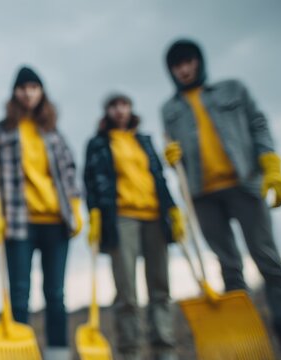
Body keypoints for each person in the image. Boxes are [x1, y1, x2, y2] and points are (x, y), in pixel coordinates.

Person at [162, 38, 281, 358]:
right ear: (171, 71)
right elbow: (174, 153)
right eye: (177, 65)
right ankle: (247, 346)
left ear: (198, 62)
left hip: (244, 186)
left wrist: (271, 166)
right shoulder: (169, 110)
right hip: (203, 196)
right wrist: (171, 159)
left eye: (188, 62)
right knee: (229, 267)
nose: (184, 69)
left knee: (270, 262)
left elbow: (258, 124)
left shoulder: (232, 90)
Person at [0, 66, 83, 360]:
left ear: (42, 93)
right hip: (17, 222)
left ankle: (57, 354)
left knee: (55, 294)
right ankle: (18, 354)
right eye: (23, 87)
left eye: (34, 87)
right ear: (15, 92)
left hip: (55, 221)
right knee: (19, 295)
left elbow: (69, 173)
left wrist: (75, 207)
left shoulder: (52, 132)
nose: (28, 92)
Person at [84, 93, 185, 360]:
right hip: (121, 218)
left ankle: (164, 348)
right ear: (107, 112)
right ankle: (130, 351)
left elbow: (159, 178)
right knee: (127, 290)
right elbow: (91, 181)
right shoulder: (98, 144)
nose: (120, 111)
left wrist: (173, 208)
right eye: (114, 106)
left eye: (124, 105)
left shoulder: (145, 141)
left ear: (131, 109)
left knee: (160, 286)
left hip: (154, 216)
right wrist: (93, 213)